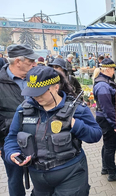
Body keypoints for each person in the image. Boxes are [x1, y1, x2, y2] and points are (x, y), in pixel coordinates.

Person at [4, 66, 102, 196]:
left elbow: (95, 135)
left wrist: (75, 124)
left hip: (71, 173)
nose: (36, 96)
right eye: (33, 92)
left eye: (41, 91)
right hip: (38, 177)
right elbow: (12, 138)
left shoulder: (77, 109)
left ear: (56, 87)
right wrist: (12, 153)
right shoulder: (23, 110)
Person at [0, 44, 39, 196]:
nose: (35, 64)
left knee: (41, 177)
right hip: (11, 142)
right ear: (18, 61)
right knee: (15, 179)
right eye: (31, 62)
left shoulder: (35, 78)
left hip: (38, 139)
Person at [93, 58, 116, 182]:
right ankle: (112, 173)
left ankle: (106, 167)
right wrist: (115, 124)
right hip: (108, 120)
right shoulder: (103, 85)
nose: (114, 72)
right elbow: (107, 108)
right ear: (107, 69)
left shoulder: (104, 82)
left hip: (105, 119)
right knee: (110, 147)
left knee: (107, 145)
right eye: (113, 69)